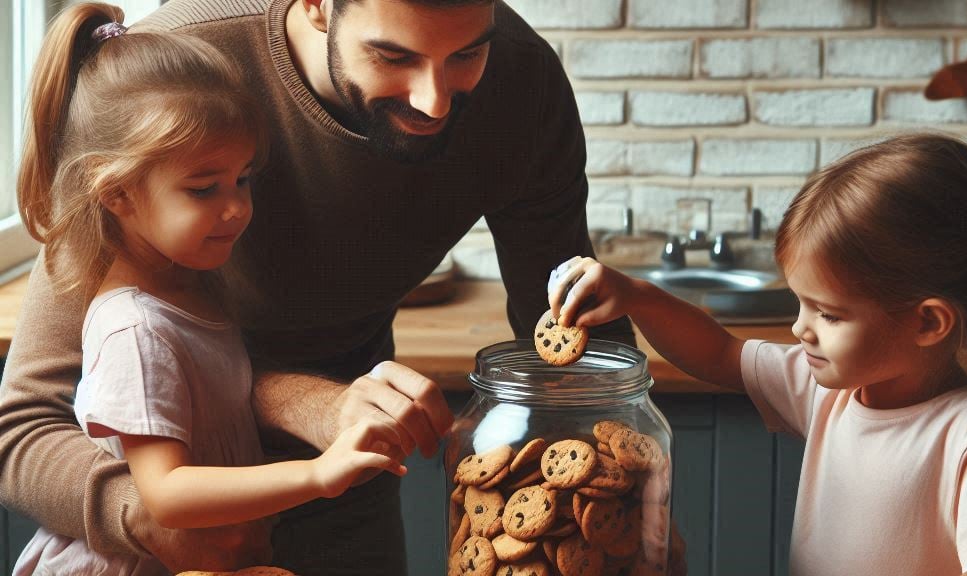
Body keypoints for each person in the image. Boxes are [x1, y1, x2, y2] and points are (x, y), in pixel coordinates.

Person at [0, 0, 634, 574]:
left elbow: (578, 342)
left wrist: (628, 509)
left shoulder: (520, 84)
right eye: (392, 56)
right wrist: (145, 517)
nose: (433, 101)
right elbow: (22, 427)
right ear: (317, 6)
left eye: (467, 54)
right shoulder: (169, 79)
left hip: (353, 489)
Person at [10, 5, 411, 574]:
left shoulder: (188, 289)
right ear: (116, 192)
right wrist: (318, 476)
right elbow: (167, 493)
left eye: (243, 179)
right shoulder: (135, 331)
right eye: (203, 189)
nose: (237, 208)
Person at [547, 134, 967, 576]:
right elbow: (720, 352)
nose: (800, 328)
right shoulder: (827, 390)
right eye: (801, 303)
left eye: (829, 315)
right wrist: (638, 296)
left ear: (927, 323)